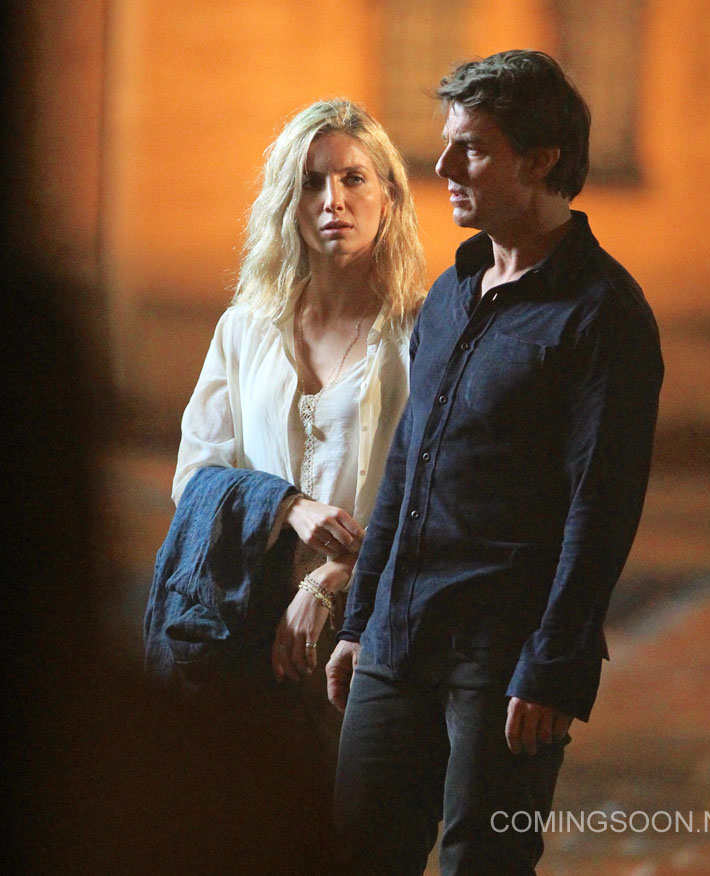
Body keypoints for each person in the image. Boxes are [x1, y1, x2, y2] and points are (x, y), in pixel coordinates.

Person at [327, 50, 664, 875]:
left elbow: (602, 506)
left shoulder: (603, 314)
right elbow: (406, 465)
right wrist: (360, 620)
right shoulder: (451, 291)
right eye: (447, 143)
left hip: (504, 656)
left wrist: (554, 665)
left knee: (485, 862)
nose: (443, 167)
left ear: (541, 161)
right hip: (398, 636)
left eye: (472, 148)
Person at [163, 98, 425, 770]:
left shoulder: (421, 335)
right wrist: (288, 506)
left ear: (389, 196)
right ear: (289, 202)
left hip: (375, 623)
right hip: (249, 620)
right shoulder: (246, 328)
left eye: (353, 178)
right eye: (311, 183)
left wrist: (333, 577)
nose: (332, 200)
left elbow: (437, 496)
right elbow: (194, 477)